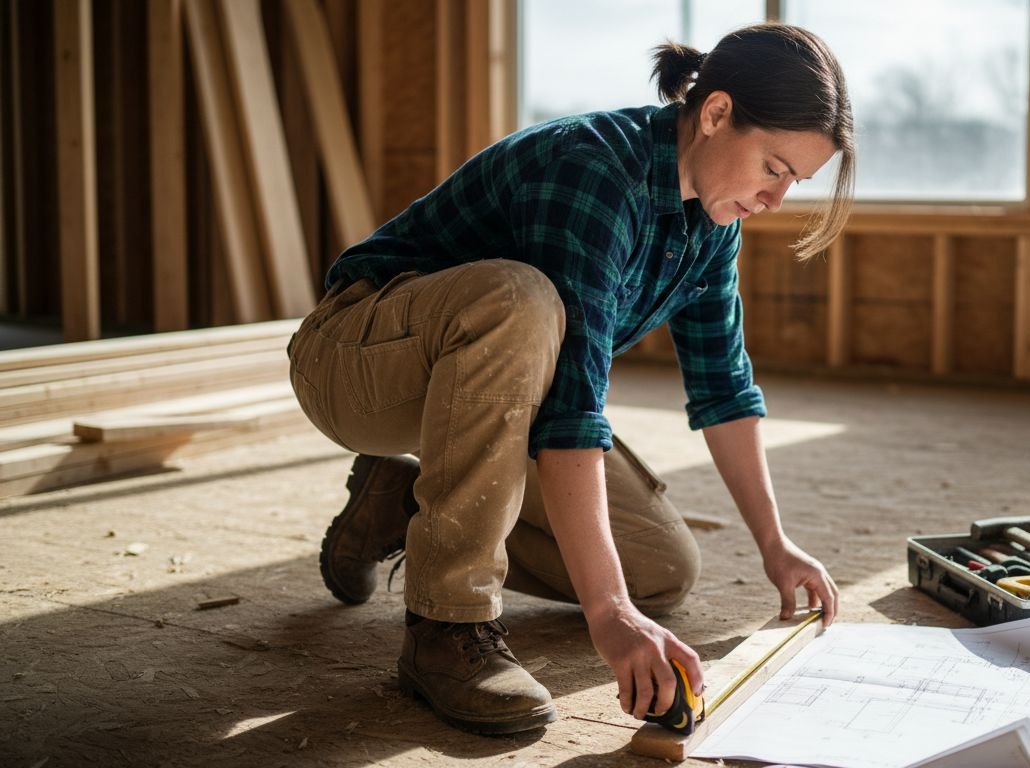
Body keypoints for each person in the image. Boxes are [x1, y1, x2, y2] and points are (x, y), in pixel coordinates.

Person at [287, 22, 855, 735]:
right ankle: (445, 626)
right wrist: (609, 617)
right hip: (353, 360)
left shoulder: (712, 223)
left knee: (660, 569)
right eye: (773, 168)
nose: (776, 199)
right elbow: (573, 413)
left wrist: (776, 545)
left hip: (487, 392)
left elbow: (724, 392)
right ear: (714, 114)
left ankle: (400, 504)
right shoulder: (594, 170)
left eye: (794, 181)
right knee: (522, 301)